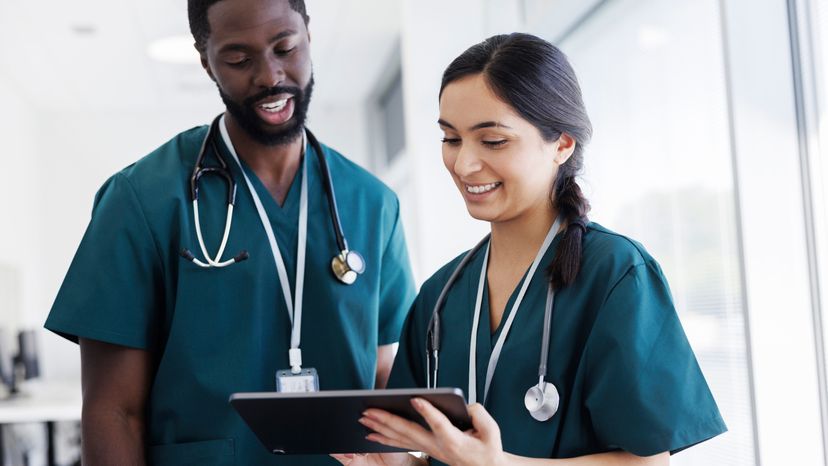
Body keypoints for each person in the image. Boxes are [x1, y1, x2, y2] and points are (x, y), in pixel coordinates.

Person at [43, 0, 416, 464]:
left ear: (309, 35)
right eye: (239, 59)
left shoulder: (373, 204)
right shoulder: (141, 200)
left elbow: (382, 371)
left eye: (285, 47)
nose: (269, 76)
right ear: (206, 61)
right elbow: (113, 410)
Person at [332, 33, 726, 466]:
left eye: (493, 141)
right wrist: (394, 464)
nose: (464, 165)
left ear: (562, 143)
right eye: (451, 139)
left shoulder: (616, 274)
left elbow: (648, 463)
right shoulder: (441, 295)